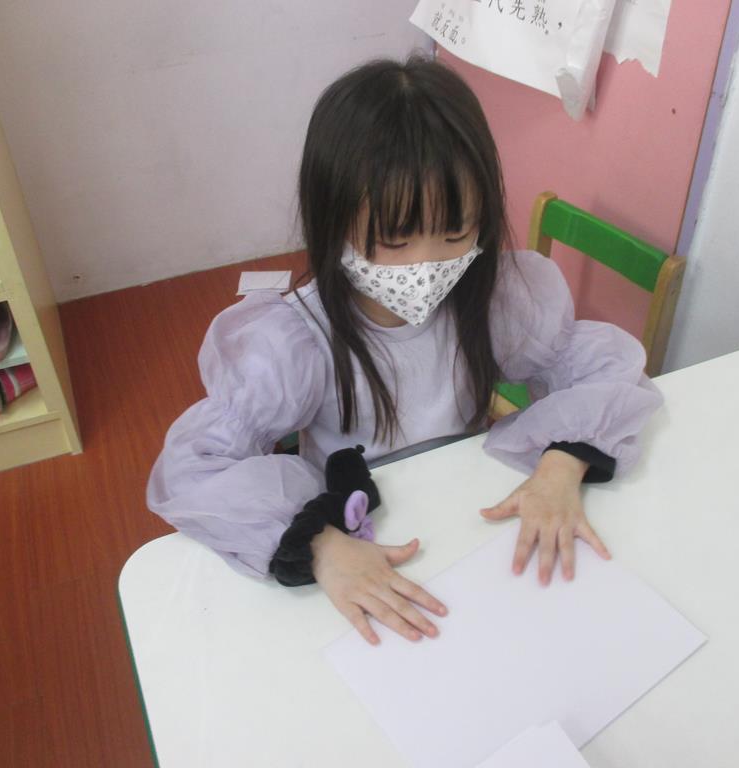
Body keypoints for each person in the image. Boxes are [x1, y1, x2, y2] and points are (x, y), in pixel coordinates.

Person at [147, 56, 663, 646]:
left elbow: (600, 370)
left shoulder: (497, 299)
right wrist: (320, 544)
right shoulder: (296, 340)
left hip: (469, 520)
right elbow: (194, 468)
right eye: (394, 239)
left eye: (455, 233)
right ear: (333, 219)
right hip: (357, 537)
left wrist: (561, 464)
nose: (426, 264)